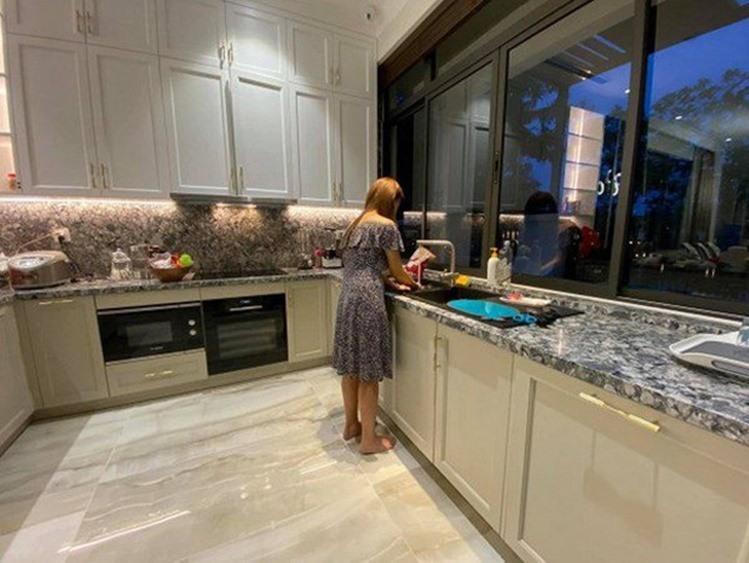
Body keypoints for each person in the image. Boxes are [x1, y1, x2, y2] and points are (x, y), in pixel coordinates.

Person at [332, 177, 418, 454]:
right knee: (369, 373)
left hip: (348, 297)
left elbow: (363, 266)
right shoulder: (386, 226)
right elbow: (397, 269)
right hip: (368, 300)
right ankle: (369, 440)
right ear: (391, 200)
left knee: (351, 367)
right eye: (397, 203)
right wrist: (413, 284)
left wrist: (387, 281)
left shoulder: (353, 225)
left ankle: (351, 425)